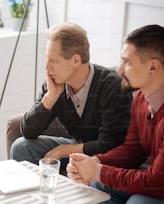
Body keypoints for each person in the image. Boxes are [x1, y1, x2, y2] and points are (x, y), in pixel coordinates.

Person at [10, 22, 133, 174]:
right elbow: (28, 132)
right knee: (21, 147)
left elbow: (111, 145)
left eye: (54, 61)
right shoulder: (54, 85)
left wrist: (63, 150)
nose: (47, 68)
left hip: (106, 159)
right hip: (78, 148)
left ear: (76, 60)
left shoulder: (112, 86)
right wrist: (51, 96)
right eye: (47, 59)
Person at [67, 24, 164, 203]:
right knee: (95, 186)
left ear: (153, 67)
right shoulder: (141, 98)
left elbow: (157, 182)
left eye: (127, 62)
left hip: (159, 184)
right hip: (155, 180)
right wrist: (95, 162)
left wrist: (99, 172)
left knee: (138, 202)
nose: (119, 70)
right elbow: (133, 150)